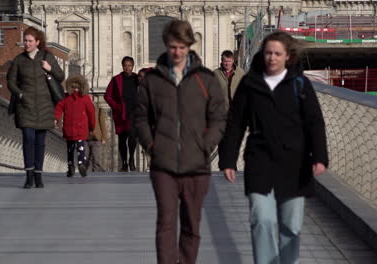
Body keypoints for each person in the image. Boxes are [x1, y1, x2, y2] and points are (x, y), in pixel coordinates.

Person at [218, 31, 329, 264]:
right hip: (260, 160)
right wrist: (228, 159)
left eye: (277, 53)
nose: (272, 58)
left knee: (291, 225)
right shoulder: (250, 83)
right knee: (262, 219)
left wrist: (319, 156)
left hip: (295, 163)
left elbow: (314, 122)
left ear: (287, 56)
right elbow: (236, 122)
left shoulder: (301, 84)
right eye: (268, 53)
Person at [134, 20, 226, 264]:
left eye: (182, 47)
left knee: (191, 224)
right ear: (166, 46)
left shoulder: (205, 80)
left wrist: (206, 144)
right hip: (163, 164)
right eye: (173, 47)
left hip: (196, 164)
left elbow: (218, 116)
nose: (177, 52)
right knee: (165, 222)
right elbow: (140, 117)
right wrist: (151, 145)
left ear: (189, 46)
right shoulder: (152, 81)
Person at [7, 26, 65, 189]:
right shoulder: (19, 60)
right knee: (28, 138)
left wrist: (50, 68)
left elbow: (61, 76)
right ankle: (29, 175)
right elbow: (10, 81)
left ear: (38, 42)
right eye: (25, 41)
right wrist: (19, 94)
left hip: (45, 106)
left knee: (40, 141)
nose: (26, 44)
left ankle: (38, 175)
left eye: (30, 41)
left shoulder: (47, 57)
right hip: (25, 106)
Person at [54, 75, 95, 177]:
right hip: (80, 128)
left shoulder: (66, 98)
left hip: (69, 128)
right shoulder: (85, 98)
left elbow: (59, 108)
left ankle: (71, 165)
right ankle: (81, 163)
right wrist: (91, 127)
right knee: (81, 148)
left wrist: (56, 119)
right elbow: (91, 113)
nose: (75, 89)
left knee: (70, 149)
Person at [104, 56, 139, 172]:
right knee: (122, 138)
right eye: (125, 65)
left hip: (134, 112)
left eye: (129, 65)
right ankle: (124, 162)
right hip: (121, 113)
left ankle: (131, 160)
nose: (127, 68)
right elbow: (107, 96)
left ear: (133, 66)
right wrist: (116, 106)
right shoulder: (116, 79)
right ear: (122, 66)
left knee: (133, 136)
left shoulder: (137, 78)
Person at [86, 94, 107, 172]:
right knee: (85, 157)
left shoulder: (99, 110)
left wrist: (104, 137)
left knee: (96, 157)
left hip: (96, 137)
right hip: (85, 137)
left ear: (93, 99)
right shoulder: (82, 109)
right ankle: (85, 173)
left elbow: (103, 125)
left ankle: (96, 173)